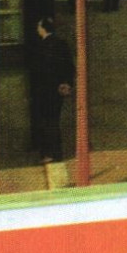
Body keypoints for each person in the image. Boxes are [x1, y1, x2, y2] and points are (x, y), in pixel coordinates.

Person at [27, 17, 74, 162]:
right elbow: (69, 66)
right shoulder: (62, 44)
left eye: (39, 27)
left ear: (43, 29)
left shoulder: (41, 47)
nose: (37, 29)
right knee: (53, 120)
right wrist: (67, 83)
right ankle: (55, 152)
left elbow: (37, 71)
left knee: (47, 121)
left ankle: (50, 153)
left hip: (44, 90)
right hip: (58, 89)